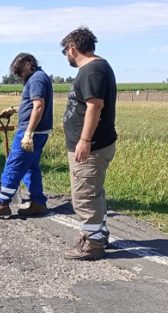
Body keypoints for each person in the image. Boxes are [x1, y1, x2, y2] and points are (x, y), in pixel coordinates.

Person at [60, 27, 117, 261]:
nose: (66, 56)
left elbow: (94, 105)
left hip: (91, 147)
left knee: (84, 196)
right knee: (94, 193)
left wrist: (84, 140)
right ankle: (99, 233)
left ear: (72, 48)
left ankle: (93, 244)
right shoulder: (97, 67)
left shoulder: (92, 70)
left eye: (65, 51)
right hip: (94, 145)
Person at [0, 53, 53, 217]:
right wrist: (14, 109)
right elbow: (33, 105)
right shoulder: (39, 77)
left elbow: (39, 107)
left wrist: (28, 134)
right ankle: (38, 203)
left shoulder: (36, 79)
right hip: (39, 132)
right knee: (31, 168)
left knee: (13, 166)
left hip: (32, 132)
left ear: (27, 64)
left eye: (19, 72)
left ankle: (2, 204)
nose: (19, 76)